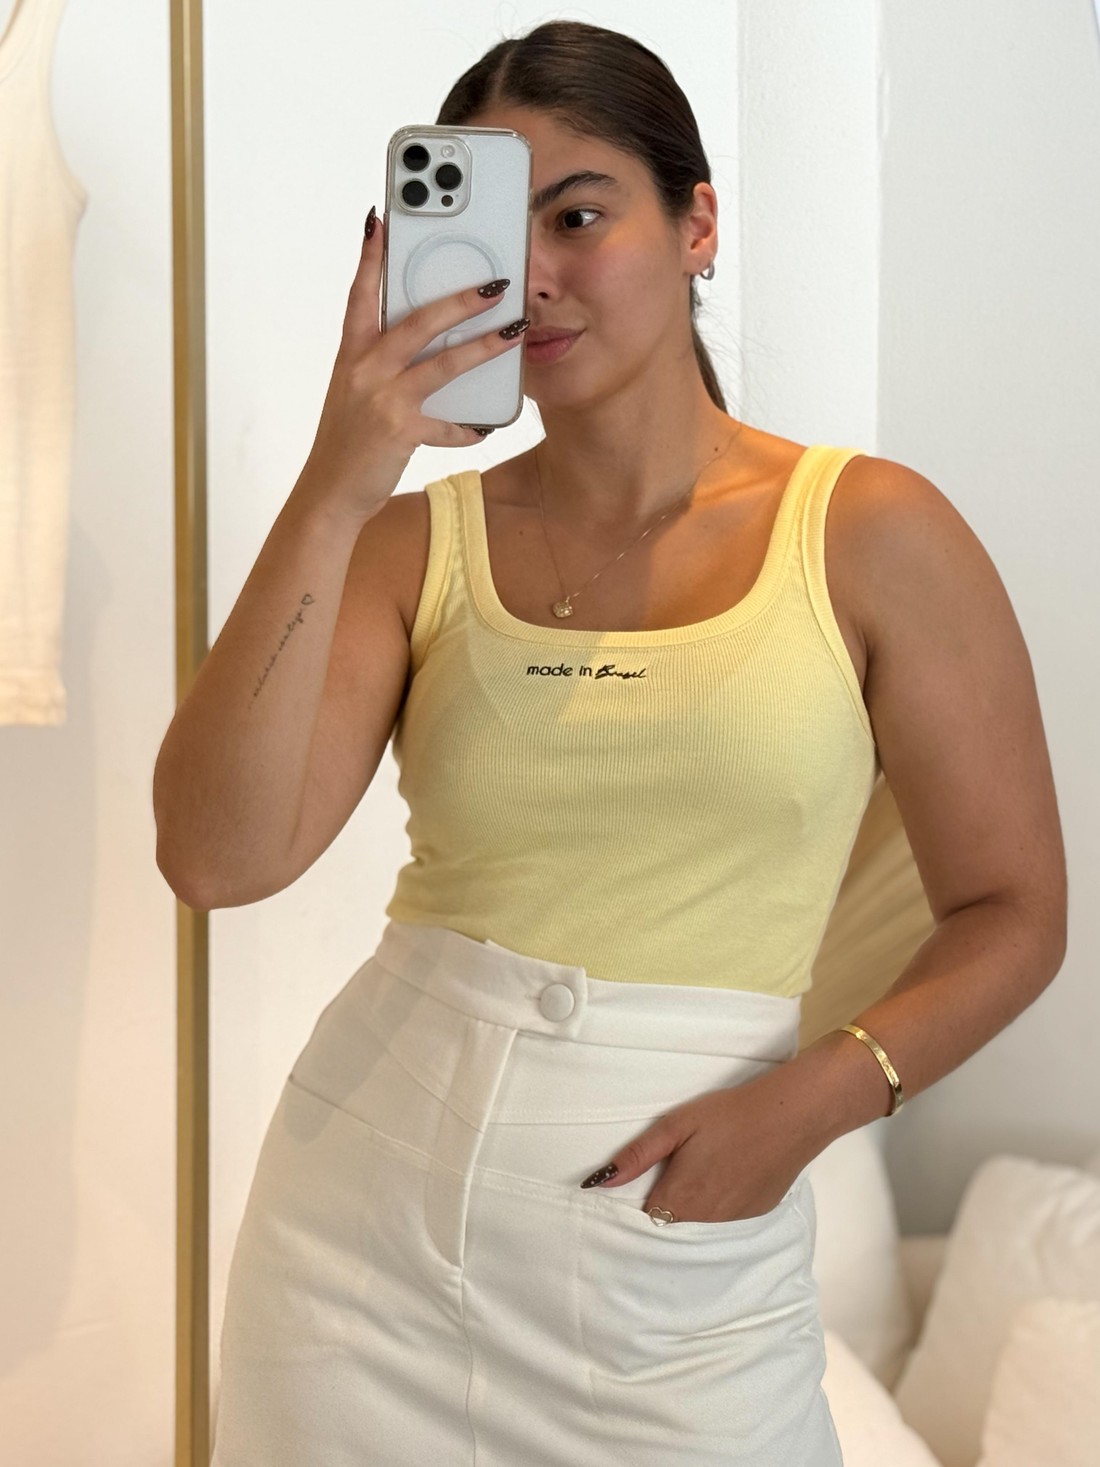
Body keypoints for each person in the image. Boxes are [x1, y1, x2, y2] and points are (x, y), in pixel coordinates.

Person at [152, 19, 1068, 1467]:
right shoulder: (410, 542)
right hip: (359, 1239)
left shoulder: (873, 534)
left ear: (697, 223)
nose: (533, 276)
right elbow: (214, 859)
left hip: (676, 1258)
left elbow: (1013, 912)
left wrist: (811, 1104)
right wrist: (340, 478)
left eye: (578, 217)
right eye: (494, 233)